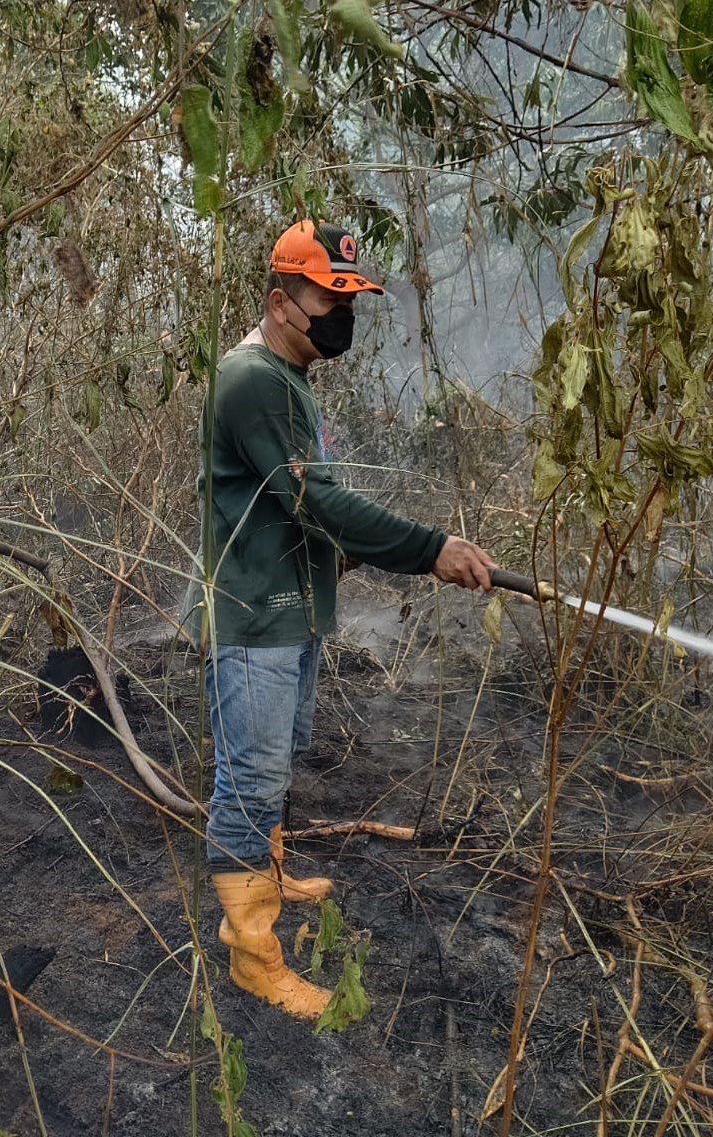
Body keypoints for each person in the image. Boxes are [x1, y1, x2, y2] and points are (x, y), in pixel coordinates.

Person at [189, 219, 499, 1020]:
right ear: (278, 300)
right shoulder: (253, 378)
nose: (339, 315)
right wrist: (426, 548)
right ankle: (252, 954)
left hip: (288, 605)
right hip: (254, 613)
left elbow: (295, 509)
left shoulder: (287, 379)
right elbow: (313, 499)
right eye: (326, 298)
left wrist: (353, 554)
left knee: (272, 763)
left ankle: (268, 867)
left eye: (347, 298)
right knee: (248, 781)